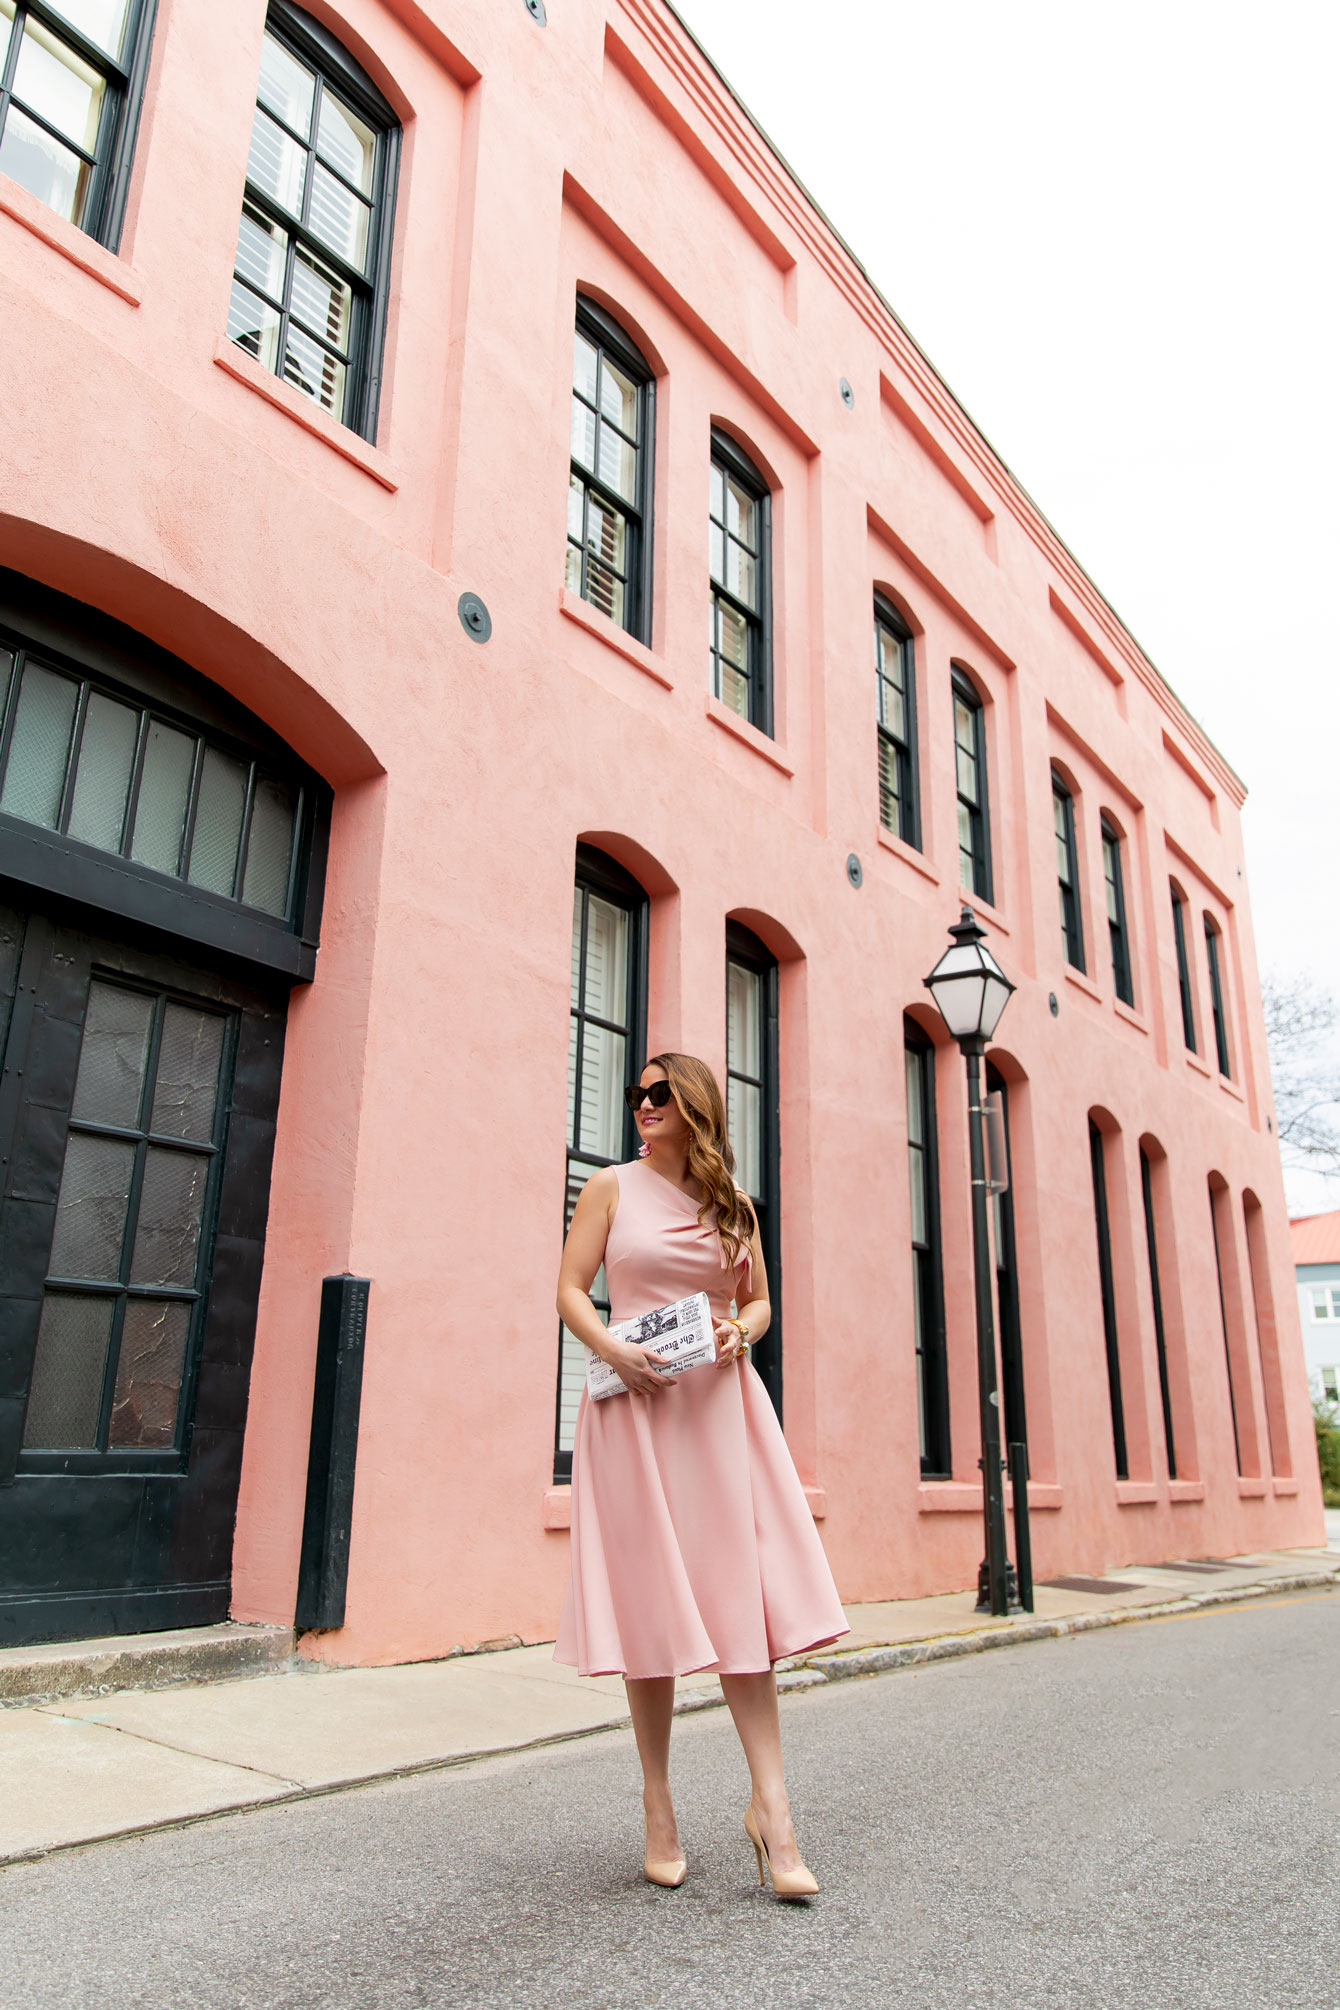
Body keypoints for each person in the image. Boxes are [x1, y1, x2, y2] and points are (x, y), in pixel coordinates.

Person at [554, 1053, 848, 1899]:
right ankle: (658, 1806)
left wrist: (741, 1334)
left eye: (659, 1094)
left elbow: (757, 1302)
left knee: (738, 1601)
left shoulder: (734, 1205)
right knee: (652, 1604)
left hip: (718, 1410)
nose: (642, 1105)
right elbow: (571, 1289)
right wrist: (611, 1346)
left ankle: (774, 1812)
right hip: (634, 1408)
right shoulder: (610, 1188)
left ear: (694, 1107)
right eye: (636, 1095)